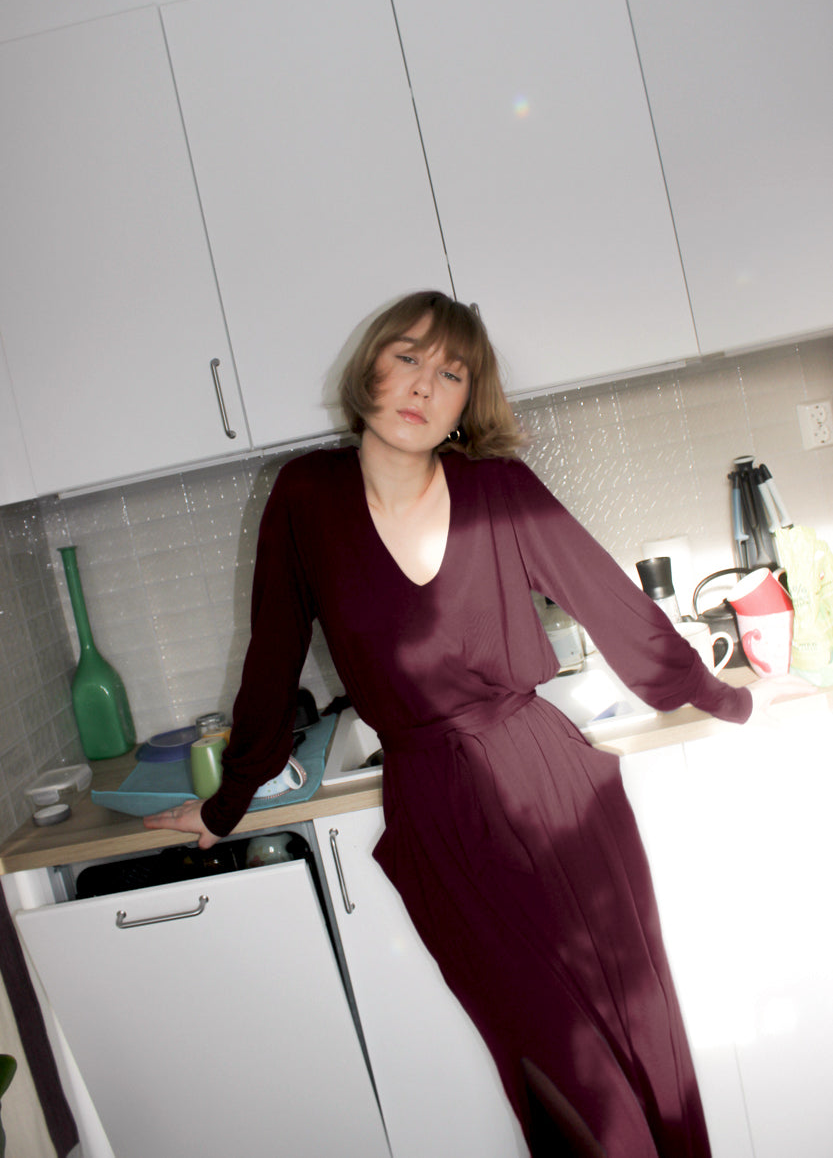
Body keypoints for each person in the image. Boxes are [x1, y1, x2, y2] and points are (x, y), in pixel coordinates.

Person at [144, 291, 804, 1157]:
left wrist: (734, 698)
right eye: (409, 356)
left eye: (451, 373)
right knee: (558, 1065)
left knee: (639, 1028)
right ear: (369, 368)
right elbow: (272, 656)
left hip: (556, 787)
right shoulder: (305, 496)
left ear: (468, 401)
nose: (425, 384)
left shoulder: (498, 489)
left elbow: (612, 608)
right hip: (438, 810)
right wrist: (228, 800)